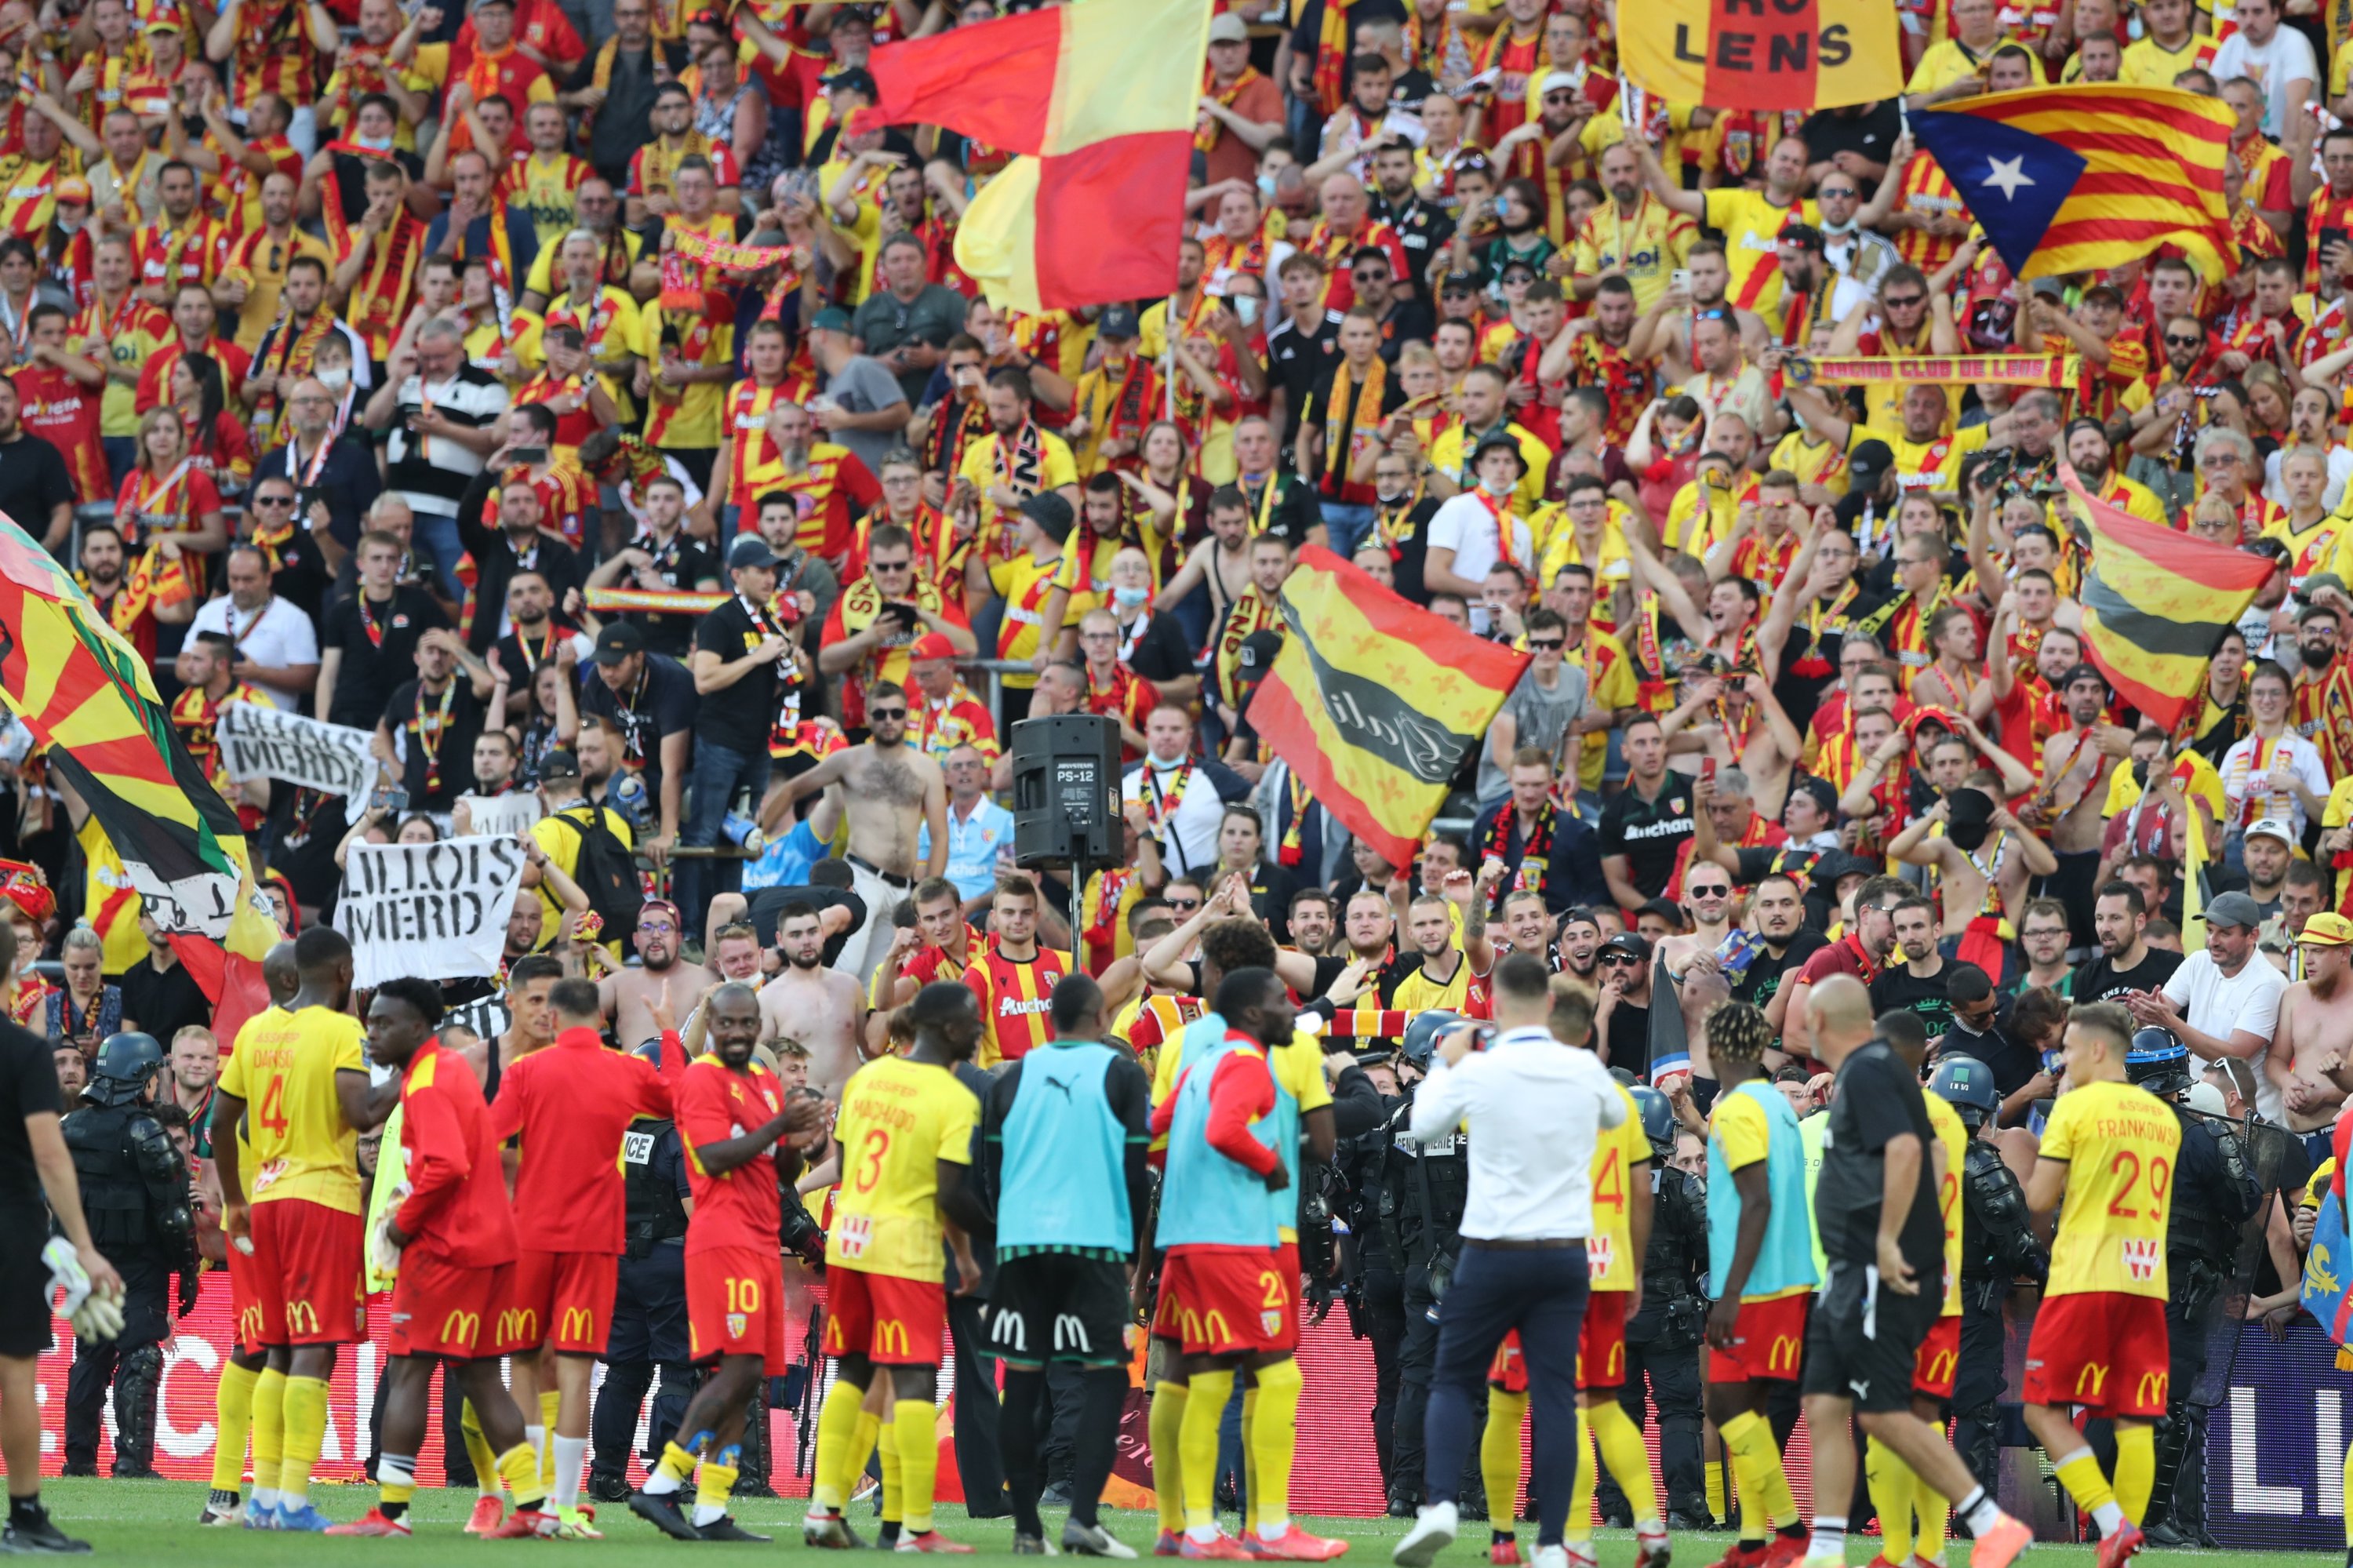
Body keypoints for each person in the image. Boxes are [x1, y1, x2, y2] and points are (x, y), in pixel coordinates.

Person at [1392, 953, 1627, 1568]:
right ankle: (1552, 1541)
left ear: (1493, 1004)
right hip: (1563, 1257)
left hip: (1493, 1251)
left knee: (1453, 1378)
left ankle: (1441, 1503)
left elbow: (1420, 1127)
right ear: (1549, 1005)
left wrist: (1447, 1063)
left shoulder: (1481, 1068)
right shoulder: (1581, 1069)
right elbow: (1616, 1113)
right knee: (1555, 1396)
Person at [325, 977, 559, 1538]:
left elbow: (446, 1165)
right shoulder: (446, 1068)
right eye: (371, 1021)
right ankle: (531, 1503)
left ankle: (392, 1512)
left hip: (447, 1248)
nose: (373, 1031)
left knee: (408, 1370)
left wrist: (402, 1225)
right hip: (487, 1243)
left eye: (384, 1023)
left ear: (417, 1027)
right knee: (480, 1376)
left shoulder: (428, 1080)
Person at [207, 926, 390, 1533]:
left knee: (271, 1345)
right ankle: (289, 1500)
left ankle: (257, 1497)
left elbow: (219, 1121)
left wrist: (234, 1197)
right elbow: (358, 1113)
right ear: (341, 972)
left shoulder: (256, 1030)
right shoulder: (342, 1030)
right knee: (315, 1346)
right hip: (321, 1197)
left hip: (264, 1199)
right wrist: (412, 1072)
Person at [631, 984, 825, 1541]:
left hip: (761, 1240)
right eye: (728, 1023)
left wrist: (804, 1136)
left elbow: (779, 1167)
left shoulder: (763, 1080)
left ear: (759, 1022)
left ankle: (712, 1507)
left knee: (746, 1379)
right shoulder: (701, 1078)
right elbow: (713, 1157)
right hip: (722, 1241)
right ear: (712, 1024)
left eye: (748, 1023)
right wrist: (776, 1125)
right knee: (735, 1369)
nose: (739, 1032)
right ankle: (663, 1483)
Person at [487, 977, 679, 1535]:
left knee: (523, 1361)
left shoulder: (526, 1070)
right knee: (577, 1371)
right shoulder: (626, 1069)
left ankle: (529, 1501)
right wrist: (668, 1029)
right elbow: (678, 1097)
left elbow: (491, 1134)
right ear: (601, 1018)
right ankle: (564, 1508)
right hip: (595, 1238)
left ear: (554, 1017)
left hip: (532, 1234)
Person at [802, 981, 985, 1552]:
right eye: (973, 1021)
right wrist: (983, 1243)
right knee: (913, 1377)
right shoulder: (954, 1095)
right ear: (950, 1029)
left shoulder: (867, 1077)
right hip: (904, 1247)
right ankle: (916, 1526)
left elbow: (849, 1164)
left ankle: (824, 1509)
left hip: (849, 1240)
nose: (979, 1030)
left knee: (853, 1371)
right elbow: (950, 1194)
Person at [982, 972, 1154, 1557]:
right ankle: (1082, 1518)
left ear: (1050, 1017)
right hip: (1092, 1244)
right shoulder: (1122, 1072)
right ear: (1100, 1016)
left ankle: (1028, 1528)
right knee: (1104, 1377)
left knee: (1023, 1383)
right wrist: (1130, 1254)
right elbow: (1135, 1172)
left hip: (1023, 1247)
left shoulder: (1009, 1078)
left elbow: (991, 1175)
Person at [2019, 1000, 2185, 1563]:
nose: (2061, 1060)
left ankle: (2113, 1525)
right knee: (2136, 1416)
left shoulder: (2077, 1106)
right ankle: (2127, 1547)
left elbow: (2039, 1200)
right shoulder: (2163, 1117)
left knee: (2041, 1409)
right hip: (2145, 1281)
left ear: (2095, 1049)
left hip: (2085, 1276)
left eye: (2066, 1049)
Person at [0, 916, 125, 1553]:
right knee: (14, 1374)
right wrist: (82, 1244)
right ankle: (23, 1517)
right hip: (11, 1222)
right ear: (16, 971)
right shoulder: (25, 1051)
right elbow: (51, 1156)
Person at [1688, 1000, 1813, 1568]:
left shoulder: (1737, 1110)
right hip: (1791, 1274)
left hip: (1758, 1284)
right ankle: (1756, 1542)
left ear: (1715, 1050)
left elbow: (1756, 1199)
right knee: (1753, 1412)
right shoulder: (1776, 1103)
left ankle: (1789, 1531)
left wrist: (1730, 1292)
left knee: (1725, 1405)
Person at [58, 1030, 195, 1482]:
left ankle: (78, 1460)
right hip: (139, 1266)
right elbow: (174, 1213)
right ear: (142, 1078)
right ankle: (132, 1464)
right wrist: (188, 1271)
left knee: (90, 1357)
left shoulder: (68, 1126)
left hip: (86, 1263)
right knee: (138, 1355)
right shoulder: (144, 1131)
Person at [768, 680, 951, 988]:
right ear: (867, 717)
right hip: (863, 879)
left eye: (896, 713)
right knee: (844, 968)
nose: (889, 720)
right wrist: (759, 839)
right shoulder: (849, 760)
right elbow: (792, 789)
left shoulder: (926, 767)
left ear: (907, 716)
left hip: (904, 887)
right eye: (880, 714)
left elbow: (940, 835)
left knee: (878, 983)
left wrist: (927, 893)